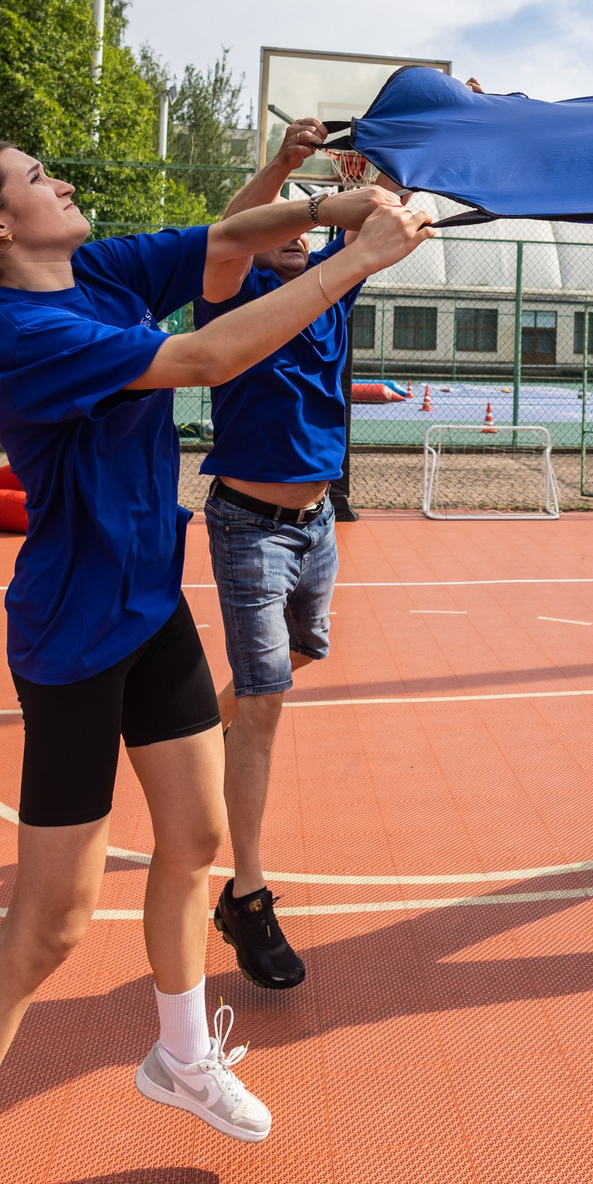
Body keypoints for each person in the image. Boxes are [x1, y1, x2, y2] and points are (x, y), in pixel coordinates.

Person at [0, 141, 430, 1184]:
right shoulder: (24, 335)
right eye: (35, 177)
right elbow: (203, 359)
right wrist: (353, 259)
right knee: (47, 928)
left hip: (150, 604)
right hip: (74, 639)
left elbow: (224, 239)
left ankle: (180, 1056)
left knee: (197, 838)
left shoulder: (95, 271)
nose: (60, 180)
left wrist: (338, 202)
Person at [194, 116, 366, 991]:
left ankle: (203, 721)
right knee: (267, 699)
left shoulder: (332, 296)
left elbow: (383, 216)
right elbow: (230, 232)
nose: (298, 233)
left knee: (305, 655)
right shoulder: (232, 299)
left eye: (311, 224)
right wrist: (284, 165)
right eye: (285, 226)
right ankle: (248, 899)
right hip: (249, 525)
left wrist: (430, 139)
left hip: (317, 525)